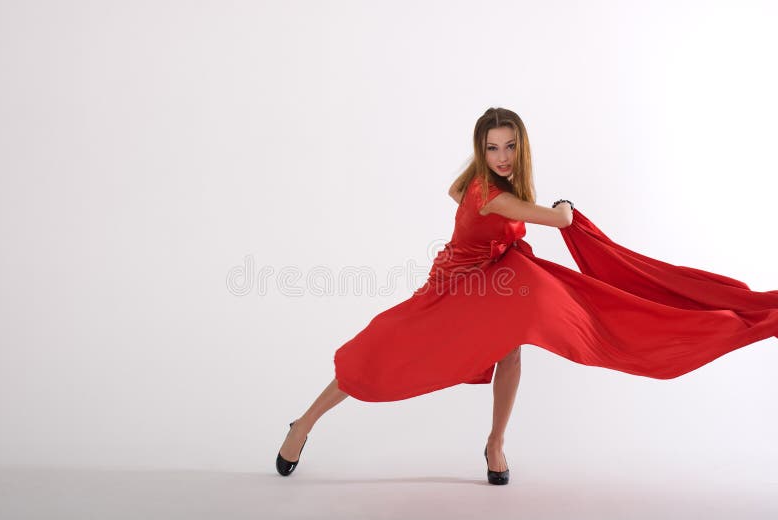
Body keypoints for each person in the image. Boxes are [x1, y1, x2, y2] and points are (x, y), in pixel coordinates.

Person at [276, 107, 778, 485]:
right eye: (492, 148)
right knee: (380, 343)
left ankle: (495, 445)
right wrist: (563, 207)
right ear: (481, 150)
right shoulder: (492, 193)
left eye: (509, 147)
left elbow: (457, 194)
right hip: (454, 283)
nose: (501, 157)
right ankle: (304, 424)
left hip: (496, 279)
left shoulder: (483, 184)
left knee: (512, 348)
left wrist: (494, 240)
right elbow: (557, 219)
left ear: (520, 147)